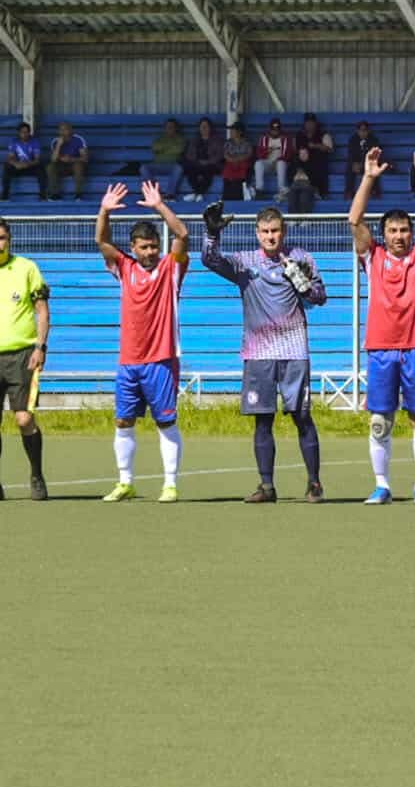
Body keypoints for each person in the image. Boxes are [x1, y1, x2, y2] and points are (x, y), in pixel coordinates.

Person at [199, 201, 329, 503]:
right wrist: (211, 233)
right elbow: (209, 259)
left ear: (283, 231)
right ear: (257, 233)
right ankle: (267, 486)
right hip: (258, 353)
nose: (271, 236)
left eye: (275, 231)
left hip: (294, 350)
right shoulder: (244, 263)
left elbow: (320, 296)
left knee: (302, 416)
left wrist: (302, 281)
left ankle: (314, 483)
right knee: (262, 420)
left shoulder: (301, 257)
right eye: (265, 231)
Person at [348, 140, 415, 505]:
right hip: (381, 350)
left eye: (404, 230)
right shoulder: (373, 258)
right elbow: (354, 220)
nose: (399, 236)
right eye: (393, 231)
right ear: (383, 234)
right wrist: (369, 178)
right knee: (380, 421)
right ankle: (382, 484)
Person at [95, 181, 188, 503]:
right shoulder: (125, 267)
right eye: (144, 247)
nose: (150, 252)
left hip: (160, 359)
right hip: (129, 360)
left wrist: (160, 206)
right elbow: (102, 240)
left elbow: (183, 236)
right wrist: (105, 210)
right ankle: (126, 482)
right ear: (133, 247)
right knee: (123, 420)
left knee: (166, 421)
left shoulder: (170, 269)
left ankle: (170, 484)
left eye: (153, 246)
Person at [0, 217, 49, 499]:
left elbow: (42, 310)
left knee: (23, 419)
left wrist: (40, 347)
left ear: (10, 240)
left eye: (2, 238)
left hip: (21, 355)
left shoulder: (26, 268)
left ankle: (36, 475)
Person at [139, 118, 186, 199]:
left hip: (172, 166)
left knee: (179, 168)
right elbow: (155, 148)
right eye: (167, 127)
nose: (169, 128)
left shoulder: (180, 139)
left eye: (172, 126)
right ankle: (152, 193)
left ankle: (169, 195)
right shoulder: (160, 138)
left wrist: (163, 148)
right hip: (157, 165)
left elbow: (178, 150)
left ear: (176, 128)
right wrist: (170, 147)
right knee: (143, 168)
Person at [180, 117, 223, 202]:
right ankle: (198, 193)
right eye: (202, 126)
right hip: (197, 164)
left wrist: (207, 162)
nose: (204, 128)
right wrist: (197, 162)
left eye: (206, 126)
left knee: (208, 171)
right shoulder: (194, 140)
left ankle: (198, 193)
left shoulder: (217, 140)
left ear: (210, 128)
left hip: (212, 164)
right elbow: (189, 155)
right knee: (190, 169)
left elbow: (219, 155)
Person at [254, 117, 295, 201]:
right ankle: (259, 190)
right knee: (258, 163)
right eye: (273, 129)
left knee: (281, 163)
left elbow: (288, 155)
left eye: (277, 129)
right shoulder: (264, 138)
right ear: (270, 129)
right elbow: (259, 154)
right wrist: (267, 151)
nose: (275, 131)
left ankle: (281, 190)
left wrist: (278, 159)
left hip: (281, 165)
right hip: (268, 163)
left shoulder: (285, 138)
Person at [46, 121, 89, 201]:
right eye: (60, 130)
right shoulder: (55, 141)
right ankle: (55, 194)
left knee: (78, 166)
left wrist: (71, 159)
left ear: (71, 130)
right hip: (62, 166)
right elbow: (53, 159)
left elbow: (85, 158)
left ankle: (78, 195)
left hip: (75, 165)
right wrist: (59, 145)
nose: (63, 132)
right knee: (50, 167)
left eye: (65, 129)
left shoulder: (78, 139)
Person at [2, 122, 45, 201]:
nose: (25, 134)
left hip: (30, 167)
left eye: (27, 132)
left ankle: (43, 196)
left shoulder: (35, 141)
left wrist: (27, 164)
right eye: (22, 132)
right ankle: (5, 196)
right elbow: (10, 158)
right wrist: (16, 164)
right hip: (18, 168)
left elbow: (37, 159)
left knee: (41, 166)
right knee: (7, 166)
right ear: (19, 133)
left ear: (29, 132)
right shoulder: (14, 141)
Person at [295, 113, 334, 198]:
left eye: (311, 123)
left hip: (318, 163)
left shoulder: (323, 134)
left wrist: (316, 146)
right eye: (307, 123)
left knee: (318, 162)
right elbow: (295, 149)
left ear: (315, 123)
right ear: (304, 124)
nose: (309, 125)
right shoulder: (300, 135)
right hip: (303, 163)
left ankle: (318, 191)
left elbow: (330, 149)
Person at [343, 121, 382, 200]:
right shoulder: (353, 140)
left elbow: (375, 154)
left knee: (374, 170)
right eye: (361, 130)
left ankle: (374, 191)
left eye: (365, 130)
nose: (363, 133)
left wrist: (364, 164)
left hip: (369, 163)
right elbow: (350, 154)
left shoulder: (374, 140)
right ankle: (349, 191)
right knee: (349, 169)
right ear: (357, 131)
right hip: (356, 164)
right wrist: (354, 164)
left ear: (368, 131)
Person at [221, 122, 253, 200]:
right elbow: (225, 154)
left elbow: (249, 153)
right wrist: (232, 160)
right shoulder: (228, 142)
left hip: (242, 163)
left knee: (243, 170)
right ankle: (227, 196)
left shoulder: (246, 143)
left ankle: (240, 195)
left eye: (233, 130)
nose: (231, 132)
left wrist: (238, 159)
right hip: (231, 163)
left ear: (240, 132)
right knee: (227, 171)